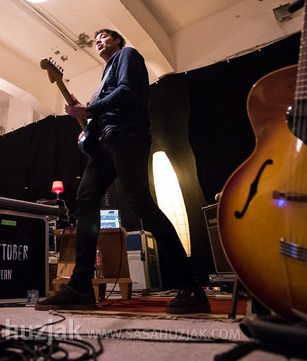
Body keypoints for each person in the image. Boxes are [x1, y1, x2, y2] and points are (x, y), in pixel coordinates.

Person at [35, 29, 210, 314]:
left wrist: (89, 109)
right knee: (85, 200)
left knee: (140, 202)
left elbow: (128, 92)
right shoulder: (102, 83)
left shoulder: (127, 55)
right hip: (105, 142)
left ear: (118, 40)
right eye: (96, 40)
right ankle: (81, 288)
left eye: (105, 36)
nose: (99, 41)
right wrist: (86, 126)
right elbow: (93, 128)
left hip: (128, 135)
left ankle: (191, 287)